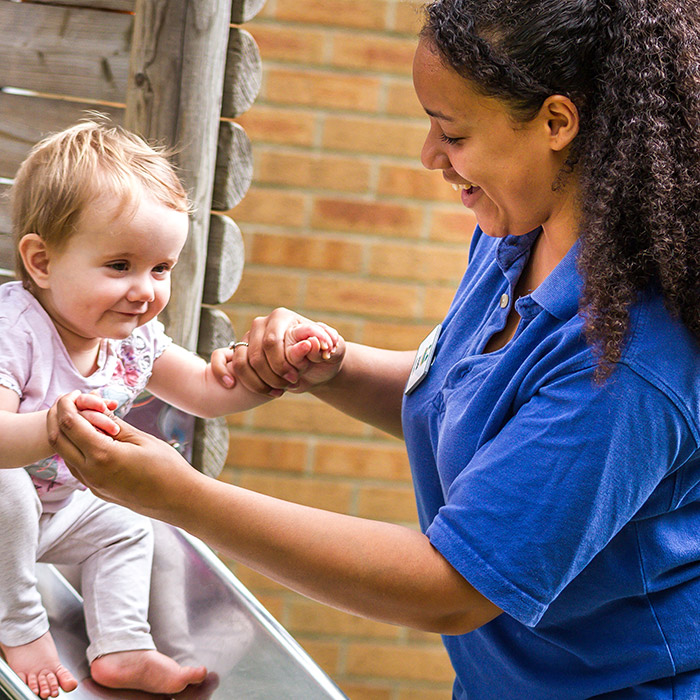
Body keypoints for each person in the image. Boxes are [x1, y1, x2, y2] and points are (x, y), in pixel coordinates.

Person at [49, 0, 700, 697]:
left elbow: (450, 588)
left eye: (450, 132)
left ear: (556, 123)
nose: (429, 156)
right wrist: (333, 369)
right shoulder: (513, 234)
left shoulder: (628, 361)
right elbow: (477, 406)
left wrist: (183, 497)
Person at [0, 119, 338, 699]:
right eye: (119, 266)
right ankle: (21, 629)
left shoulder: (134, 340)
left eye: (161, 269)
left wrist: (274, 371)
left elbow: (207, 389)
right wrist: (52, 427)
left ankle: (122, 648)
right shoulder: (15, 328)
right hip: (8, 510)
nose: (145, 290)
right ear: (42, 262)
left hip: (53, 518)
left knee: (130, 524)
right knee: (5, 487)